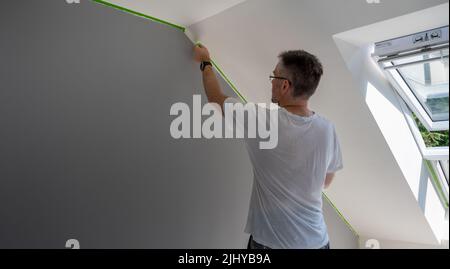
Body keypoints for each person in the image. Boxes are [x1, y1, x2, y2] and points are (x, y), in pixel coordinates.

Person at [193, 44, 343, 249]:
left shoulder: (262, 121)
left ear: (284, 86)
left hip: (271, 244)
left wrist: (205, 61)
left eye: (274, 77)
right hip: (317, 242)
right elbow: (326, 181)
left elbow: (215, 98)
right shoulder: (328, 128)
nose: (271, 82)